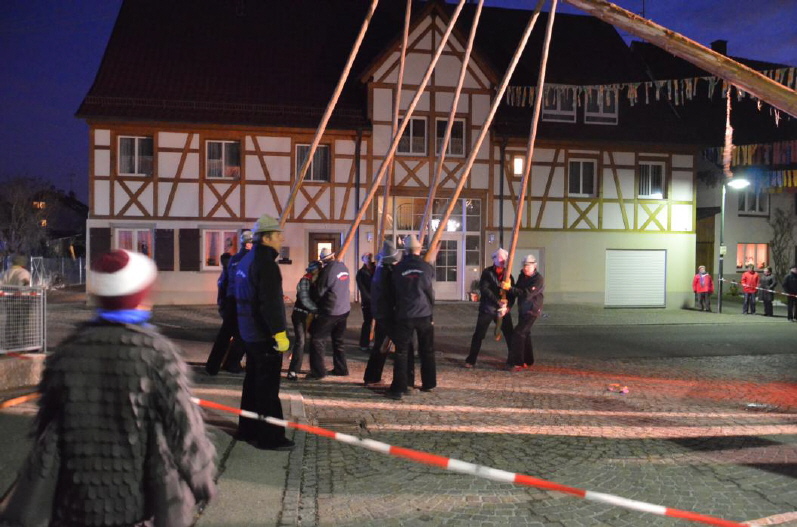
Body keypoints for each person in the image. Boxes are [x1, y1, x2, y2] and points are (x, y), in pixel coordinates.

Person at [0, 249, 216, 526]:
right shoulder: (157, 354)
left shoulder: (68, 351)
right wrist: (202, 478)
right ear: (140, 296)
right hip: (133, 500)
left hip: (71, 500)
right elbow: (183, 430)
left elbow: (45, 426)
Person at [234, 214, 294, 451]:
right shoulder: (266, 264)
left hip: (248, 332)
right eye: (278, 236)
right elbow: (270, 303)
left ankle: (247, 430)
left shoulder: (246, 260)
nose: (281, 240)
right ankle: (271, 437)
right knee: (268, 389)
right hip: (263, 335)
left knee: (251, 384)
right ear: (266, 238)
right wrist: (279, 333)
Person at [388, 234, 435, 400]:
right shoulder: (427, 267)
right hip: (423, 313)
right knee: (427, 350)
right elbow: (429, 292)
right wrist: (431, 311)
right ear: (419, 250)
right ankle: (429, 383)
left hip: (404, 313)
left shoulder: (398, 268)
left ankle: (400, 387)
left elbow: (393, 291)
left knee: (402, 352)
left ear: (405, 250)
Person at [465, 248, 515, 368]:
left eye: (501, 265)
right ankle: (471, 360)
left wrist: (508, 306)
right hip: (488, 308)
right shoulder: (487, 273)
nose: (499, 268)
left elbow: (512, 294)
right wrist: (497, 301)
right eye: (498, 266)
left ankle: (512, 361)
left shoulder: (509, 276)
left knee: (509, 334)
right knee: (479, 334)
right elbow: (485, 290)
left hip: (503, 309)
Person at [307, 250, 351, 379]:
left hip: (330, 311)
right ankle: (341, 369)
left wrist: (312, 299)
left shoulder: (327, 271)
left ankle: (318, 372)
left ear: (323, 260)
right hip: (344, 309)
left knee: (317, 339)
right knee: (338, 340)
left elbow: (319, 292)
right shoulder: (343, 267)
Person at [363, 239, 401, 386]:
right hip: (388, 314)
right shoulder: (388, 274)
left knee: (380, 346)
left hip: (380, 313)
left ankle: (372, 377)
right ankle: (373, 378)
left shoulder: (380, 271)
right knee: (384, 347)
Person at [502, 254, 544, 372]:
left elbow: (526, 294)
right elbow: (516, 290)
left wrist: (510, 288)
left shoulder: (538, 279)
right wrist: (509, 298)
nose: (526, 268)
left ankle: (517, 362)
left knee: (518, 333)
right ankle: (528, 360)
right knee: (525, 333)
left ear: (534, 266)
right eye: (524, 265)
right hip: (523, 309)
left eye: (528, 266)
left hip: (532, 310)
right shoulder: (522, 276)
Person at [287, 260, 321, 381]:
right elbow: (304, 299)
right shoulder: (305, 281)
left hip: (311, 315)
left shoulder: (318, 281)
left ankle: (316, 369)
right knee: (300, 341)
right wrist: (317, 309)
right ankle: (293, 371)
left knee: (316, 341)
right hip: (300, 314)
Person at [1, 254, 33, 351]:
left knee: (10, 321)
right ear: (22, 264)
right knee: (23, 323)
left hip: (8, 300)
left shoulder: (5, 273)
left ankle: (10, 342)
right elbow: (24, 285)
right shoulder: (24, 273)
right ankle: (23, 344)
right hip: (22, 300)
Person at [356, 252, 375, 352]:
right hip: (367, 302)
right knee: (367, 322)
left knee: (380, 323)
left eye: (369, 257)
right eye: (366, 257)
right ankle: (364, 344)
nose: (368, 258)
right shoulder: (361, 273)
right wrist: (370, 299)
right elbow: (362, 288)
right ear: (363, 259)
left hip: (378, 300)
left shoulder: (377, 269)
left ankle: (378, 344)